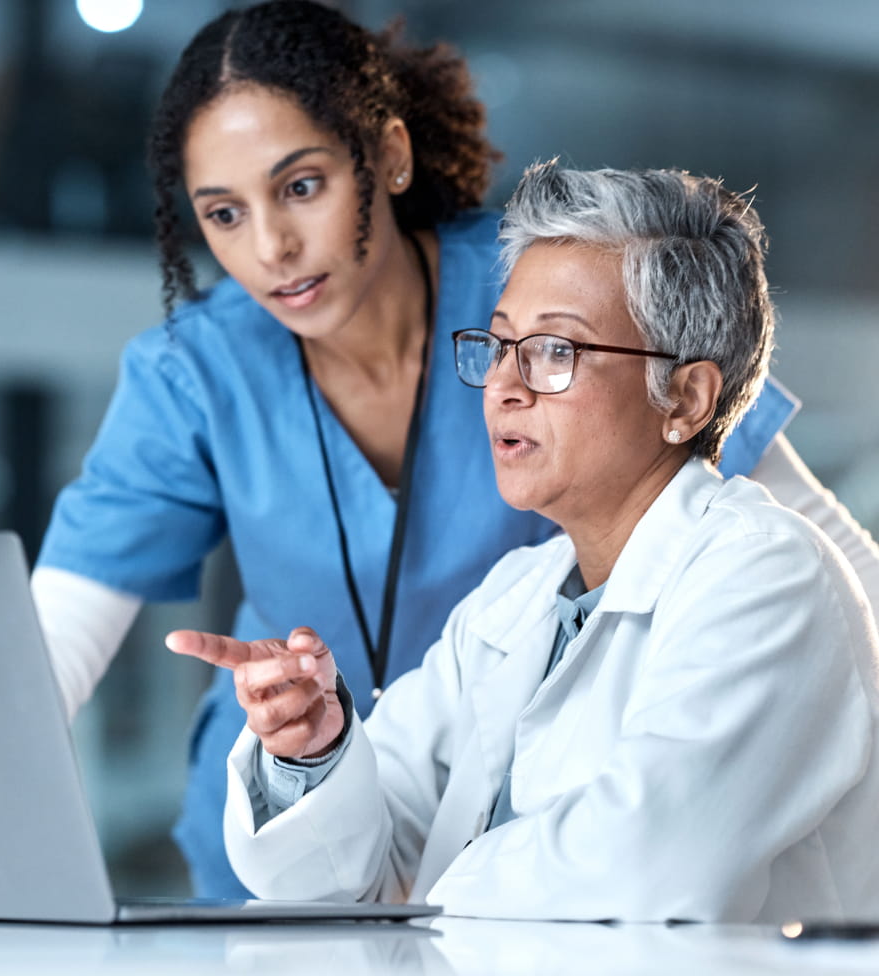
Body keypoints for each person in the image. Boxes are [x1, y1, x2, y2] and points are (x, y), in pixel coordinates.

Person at [33, 0, 879, 898]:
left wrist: (423, 902)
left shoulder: (549, 281)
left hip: (504, 890)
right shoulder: (203, 373)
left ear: (388, 157)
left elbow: (816, 565)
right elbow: (50, 651)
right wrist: (313, 748)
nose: (272, 246)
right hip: (352, 826)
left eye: (302, 186)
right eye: (223, 214)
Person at [169, 162, 879, 922]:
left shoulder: (768, 576)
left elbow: (641, 867)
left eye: (555, 352)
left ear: (686, 396)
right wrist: (312, 754)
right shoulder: (520, 594)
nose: (505, 384)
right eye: (501, 345)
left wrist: (419, 906)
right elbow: (360, 861)